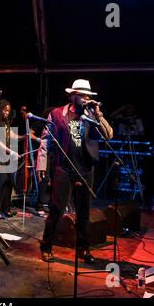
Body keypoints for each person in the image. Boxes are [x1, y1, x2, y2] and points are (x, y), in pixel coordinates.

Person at [36, 79, 113, 263]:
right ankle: (46, 245)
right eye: (82, 95)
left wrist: (99, 115)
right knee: (57, 210)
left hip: (86, 170)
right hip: (64, 168)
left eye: (88, 95)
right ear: (72, 96)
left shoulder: (92, 115)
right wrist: (41, 164)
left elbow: (108, 135)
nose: (86, 98)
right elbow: (45, 141)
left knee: (84, 213)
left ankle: (83, 249)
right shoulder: (56, 115)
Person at [0, 99, 23, 219]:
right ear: (0, 110)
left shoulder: (6, 123)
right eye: (5, 110)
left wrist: (24, 137)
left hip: (8, 158)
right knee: (1, 183)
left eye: (8, 111)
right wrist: (11, 151)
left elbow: (12, 136)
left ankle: (6, 209)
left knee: (9, 183)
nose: (7, 113)